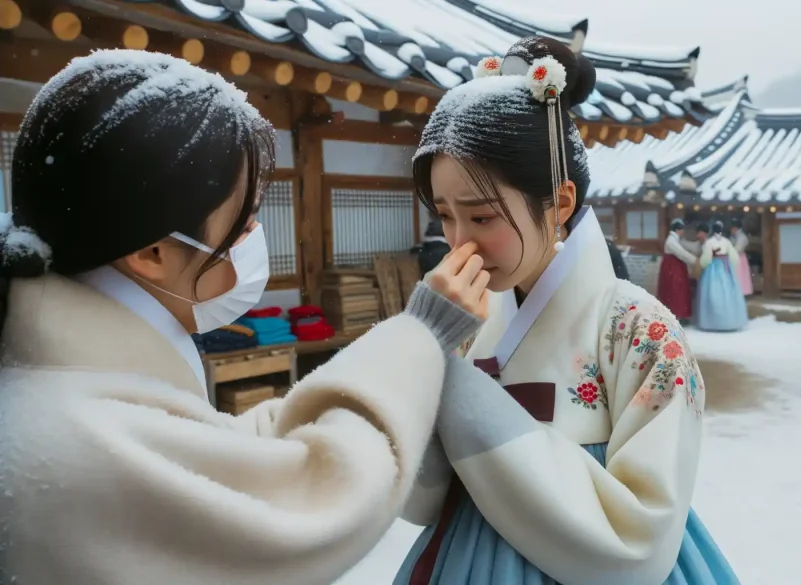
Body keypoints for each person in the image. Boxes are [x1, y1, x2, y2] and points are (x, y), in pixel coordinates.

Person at [0, 50, 488, 585]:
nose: (254, 235)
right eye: (243, 220)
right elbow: (314, 503)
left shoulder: (63, 376)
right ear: (153, 253)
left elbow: (228, 453)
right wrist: (422, 335)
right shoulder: (71, 437)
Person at [393, 36, 739, 585]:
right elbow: (421, 501)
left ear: (560, 204)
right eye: (444, 217)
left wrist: (471, 408)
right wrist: (424, 352)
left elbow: (641, 538)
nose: (460, 244)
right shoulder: (463, 329)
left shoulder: (640, 332)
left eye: (481, 218)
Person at [696, 221, 748, 332]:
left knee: (711, 293)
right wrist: (731, 267)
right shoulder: (727, 241)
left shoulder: (709, 242)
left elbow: (705, 259)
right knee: (727, 293)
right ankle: (729, 320)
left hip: (712, 269)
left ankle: (712, 322)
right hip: (725, 267)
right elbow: (734, 257)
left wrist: (703, 264)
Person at [658, 218, 696, 323]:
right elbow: (681, 253)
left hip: (675, 267)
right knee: (675, 290)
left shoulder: (675, 239)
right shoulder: (671, 240)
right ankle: (675, 315)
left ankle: (679, 314)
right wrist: (694, 260)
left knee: (678, 290)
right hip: (672, 268)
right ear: (678, 230)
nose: (683, 232)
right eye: (682, 229)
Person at [729, 219, 754, 296]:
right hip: (736, 257)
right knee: (737, 274)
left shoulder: (741, 236)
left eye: (732, 228)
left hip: (739, 257)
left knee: (739, 274)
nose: (731, 230)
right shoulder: (734, 236)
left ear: (735, 228)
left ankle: (741, 291)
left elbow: (738, 248)